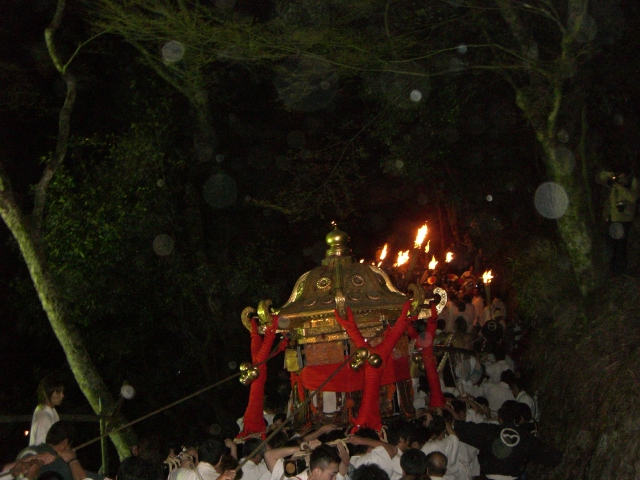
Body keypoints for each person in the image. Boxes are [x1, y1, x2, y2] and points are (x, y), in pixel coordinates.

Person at [450, 401, 562, 479]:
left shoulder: (489, 431)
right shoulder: (525, 437)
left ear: (500, 418)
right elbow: (553, 456)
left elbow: (462, 428)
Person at [596, 169, 640, 276]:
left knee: (620, 246)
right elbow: (598, 179)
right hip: (612, 219)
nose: (620, 179)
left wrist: (619, 187)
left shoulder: (633, 182)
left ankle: (620, 270)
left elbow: (633, 197)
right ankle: (613, 269)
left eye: (622, 177)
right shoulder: (614, 184)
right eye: (618, 176)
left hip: (624, 219)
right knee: (612, 244)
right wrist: (607, 174)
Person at [17, 421, 95, 480]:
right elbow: (85, 477)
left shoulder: (27, 451)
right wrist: (72, 460)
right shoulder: (61, 464)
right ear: (65, 443)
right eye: (70, 446)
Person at [30, 374, 65, 446]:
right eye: (58, 392)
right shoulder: (44, 417)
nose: (62, 396)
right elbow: (41, 447)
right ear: (47, 393)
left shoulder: (50, 410)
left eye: (62, 392)